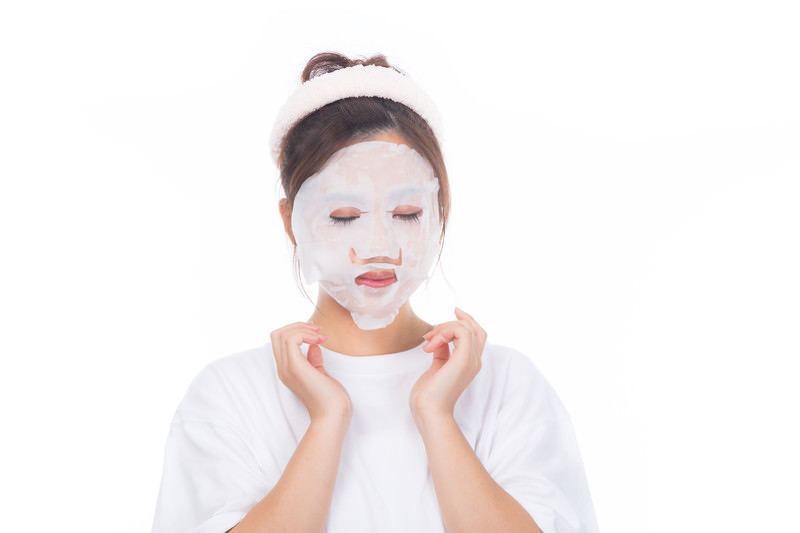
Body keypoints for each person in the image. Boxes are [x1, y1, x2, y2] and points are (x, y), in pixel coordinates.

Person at [151, 52, 601, 533]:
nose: (378, 248)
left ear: (439, 213)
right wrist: (327, 419)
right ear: (290, 221)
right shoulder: (231, 395)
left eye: (407, 214)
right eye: (344, 217)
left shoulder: (504, 385)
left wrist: (436, 415)